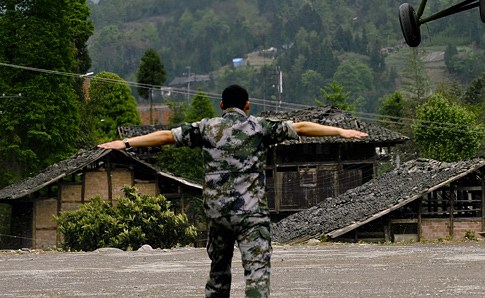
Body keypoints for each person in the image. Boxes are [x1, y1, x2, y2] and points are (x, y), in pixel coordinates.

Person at [98, 83, 368, 297]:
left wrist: (126, 142)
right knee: (256, 274)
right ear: (247, 106)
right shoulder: (258, 126)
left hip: (218, 215)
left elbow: (167, 135)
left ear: (222, 106)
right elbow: (301, 127)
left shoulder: (206, 127)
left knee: (218, 276)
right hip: (251, 216)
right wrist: (341, 132)